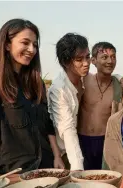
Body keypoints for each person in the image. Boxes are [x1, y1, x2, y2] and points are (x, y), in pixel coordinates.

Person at [0, 18, 64, 175]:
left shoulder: (35, 81)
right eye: (25, 43)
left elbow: (47, 123)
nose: (31, 49)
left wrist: (57, 156)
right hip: (14, 170)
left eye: (34, 45)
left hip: (45, 166)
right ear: (7, 44)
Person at [47, 33, 91, 170]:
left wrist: (120, 78)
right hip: (64, 154)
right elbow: (67, 129)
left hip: (83, 145)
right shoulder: (58, 90)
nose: (86, 63)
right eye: (79, 59)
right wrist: (77, 168)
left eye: (88, 57)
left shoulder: (86, 79)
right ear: (66, 62)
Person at [78, 42, 122, 170]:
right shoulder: (83, 80)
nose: (110, 61)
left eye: (113, 57)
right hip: (83, 141)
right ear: (93, 60)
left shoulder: (119, 86)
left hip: (106, 141)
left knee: (104, 178)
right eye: (104, 57)